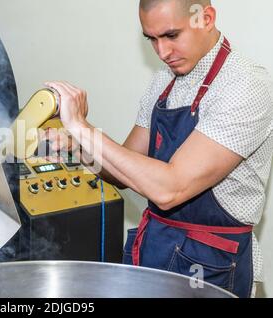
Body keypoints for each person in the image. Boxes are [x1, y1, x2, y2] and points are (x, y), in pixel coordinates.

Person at [44, 0, 273, 298]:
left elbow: (171, 189)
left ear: (206, 18)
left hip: (210, 265)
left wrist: (82, 128)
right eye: (152, 39)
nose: (162, 53)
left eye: (171, 35)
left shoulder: (245, 85)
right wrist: (78, 146)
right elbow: (124, 172)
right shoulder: (164, 82)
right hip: (155, 248)